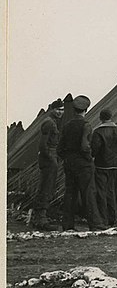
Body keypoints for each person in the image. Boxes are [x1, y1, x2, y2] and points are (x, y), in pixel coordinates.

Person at [57, 95, 106, 231]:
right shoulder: (86, 125)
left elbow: (59, 148)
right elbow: (85, 146)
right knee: (88, 193)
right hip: (83, 164)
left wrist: (67, 158)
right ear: (86, 110)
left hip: (69, 163)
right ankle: (95, 224)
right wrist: (89, 158)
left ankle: (67, 225)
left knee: (70, 193)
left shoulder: (66, 126)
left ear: (74, 110)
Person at [31, 99, 64, 231]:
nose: (60, 112)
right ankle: (41, 219)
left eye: (62, 110)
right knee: (46, 187)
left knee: (48, 186)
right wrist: (50, 159)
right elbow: (43, 145)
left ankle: (39, 217)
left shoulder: (52, 122)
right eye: (58, 110)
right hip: (49, 157)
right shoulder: (49, 123)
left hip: (51, 156)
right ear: (52, 110)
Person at [91, 109, 117, 227]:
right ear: (111, 117)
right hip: (116, 165)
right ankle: (113, 219)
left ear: (100, 118)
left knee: (101, 192)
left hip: (102, 165)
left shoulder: (98, 132)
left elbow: (94, 150)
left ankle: (103, 219)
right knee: (111, 191)